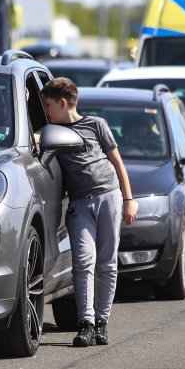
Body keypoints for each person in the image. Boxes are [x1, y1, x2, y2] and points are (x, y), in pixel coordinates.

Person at [41, 77, 137, 347]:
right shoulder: (51, 130)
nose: (45, 110)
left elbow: (117, 162)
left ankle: (102, 323)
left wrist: (129, 199)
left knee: (106, 263)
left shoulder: (96, 125)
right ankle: (86, 323)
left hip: (110, 196)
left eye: (48, 105)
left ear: (62, 103)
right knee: (83, 262)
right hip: (80, 203)